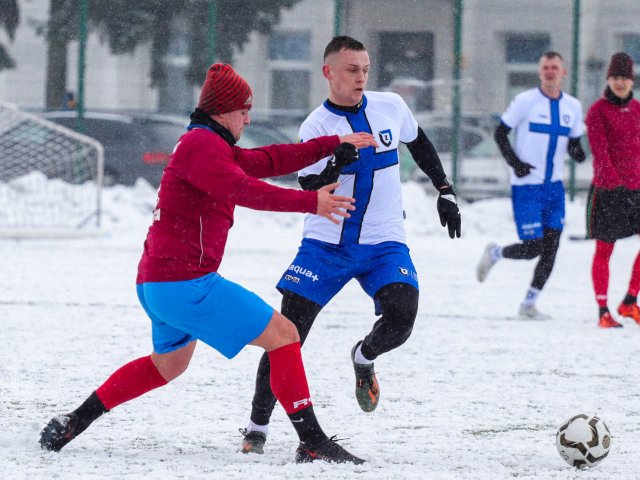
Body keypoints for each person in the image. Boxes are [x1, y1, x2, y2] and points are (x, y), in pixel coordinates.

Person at [38, 63, 379, 465]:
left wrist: (331, 142)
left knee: (167, 366)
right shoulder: (202, 147)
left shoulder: (208, 143)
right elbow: (244, 189)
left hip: (159, 284)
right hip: (187, 284)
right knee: (285, 334)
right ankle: (313, 441)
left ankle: (75, 420)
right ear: (222, 110)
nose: (248, 118)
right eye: (244, 110)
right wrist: (311, 202)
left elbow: (268, 159)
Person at [240, 36, 461, 455]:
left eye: (365, 68)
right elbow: (306, 185)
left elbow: (419, 141)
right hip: (328, 244)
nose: (360, 76)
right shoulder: (316, 126)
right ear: (329, 73)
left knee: (402, 319)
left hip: (384, 241)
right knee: (286, 336)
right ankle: (257, 426)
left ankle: (363, 356)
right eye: (351, 69)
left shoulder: (390, 106)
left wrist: (445, 190)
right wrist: (336, 162)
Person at [476, 51, 586, 319]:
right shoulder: (525, 101)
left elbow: (573, 142)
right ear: (540, 72)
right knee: (533, 247)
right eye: (545, 67)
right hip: (527, 188)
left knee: (551, 250)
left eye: (554, 67)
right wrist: (515, 163)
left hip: (554, 189)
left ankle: (528, 304)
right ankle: (495, 253)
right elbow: (500, 133)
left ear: (563, 73)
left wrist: (578, 153)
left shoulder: (572, 106)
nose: (550, 71)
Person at [585, 52, 640, 328]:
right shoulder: (597, 110)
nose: (620, 82)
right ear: (609, 79)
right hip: (609, 192)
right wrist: (615, 184)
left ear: (632, 81)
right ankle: (603, 311)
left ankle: (630, 301)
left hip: (637, 189)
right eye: (616, 77)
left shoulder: (638, 110)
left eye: (625, 78)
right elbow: (601, 152)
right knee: (605, 251)